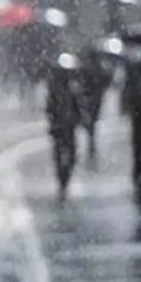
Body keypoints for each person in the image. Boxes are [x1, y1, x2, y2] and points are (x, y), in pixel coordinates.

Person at [46, 56, 82, 201]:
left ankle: (64, 179)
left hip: (69, 128)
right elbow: (50, 110)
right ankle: (62, 181)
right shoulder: (55, 91)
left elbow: (78, 107)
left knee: (70, 156)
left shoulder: (73, 89)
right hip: (60, 129)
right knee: (60, 156)